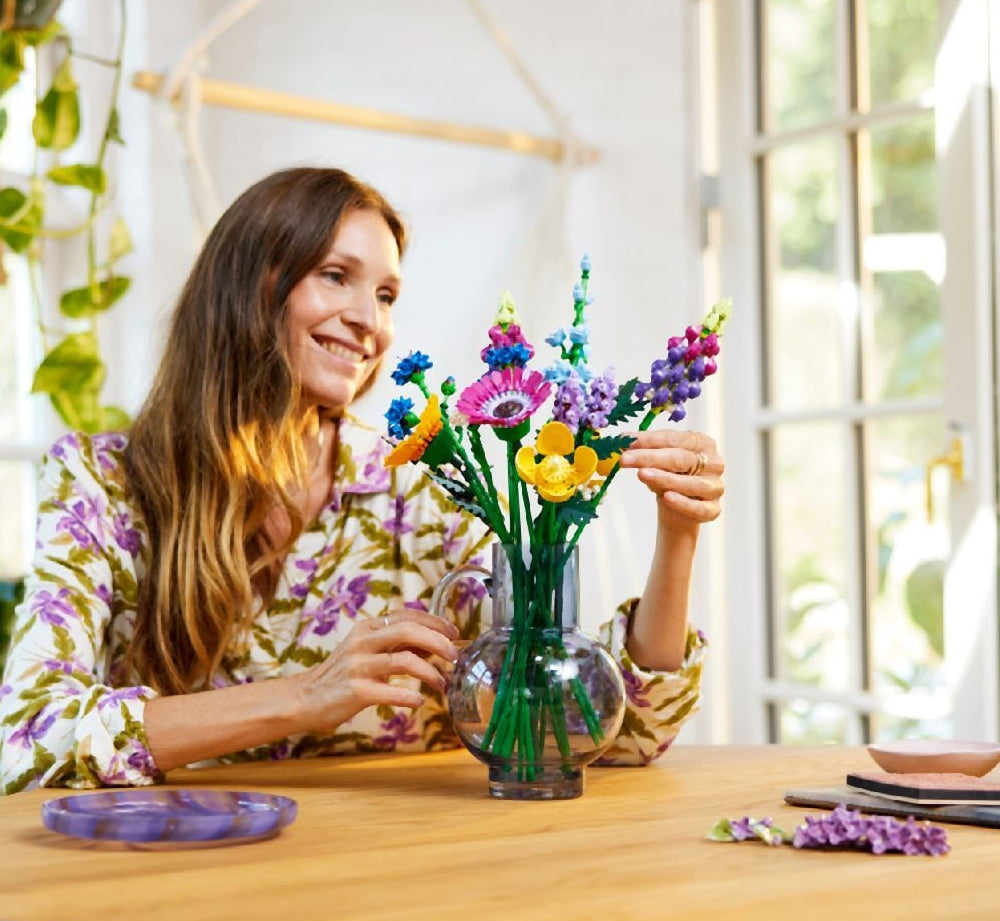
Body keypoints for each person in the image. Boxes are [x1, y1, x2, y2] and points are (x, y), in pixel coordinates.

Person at [0, 167, 725, 799]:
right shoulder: (102, 484)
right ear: (247, 283)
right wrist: (303, 698)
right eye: (336, 276)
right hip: (170, 899)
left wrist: (679, 532)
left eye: (385, 294)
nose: (369, 321)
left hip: (380, 904)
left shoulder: (428, 484)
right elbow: (28, 740)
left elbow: (589, 734)